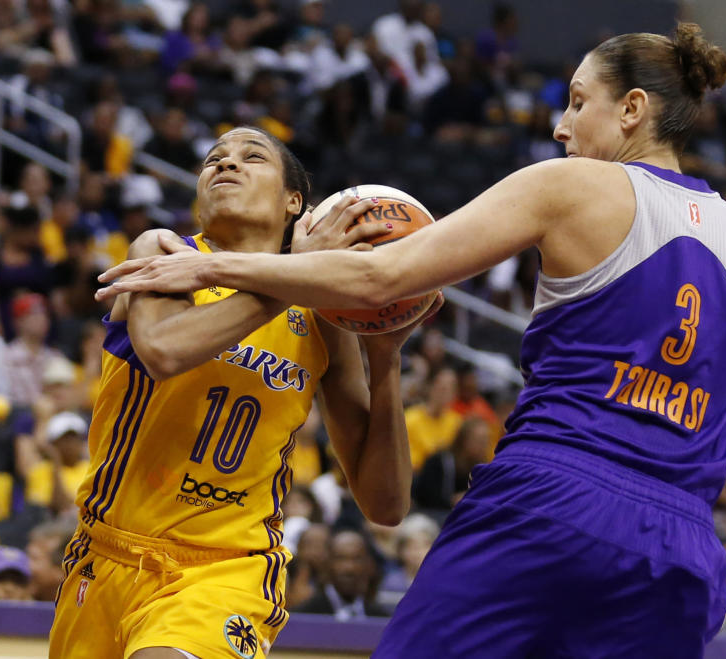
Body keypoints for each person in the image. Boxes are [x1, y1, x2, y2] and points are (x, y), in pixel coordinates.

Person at [98, 24, 726, 658]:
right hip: (681, 547)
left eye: (578, 104)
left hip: (555, 500)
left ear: (633, 110)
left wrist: (211, 261)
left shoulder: (570, 184)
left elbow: (379, 276)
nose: (562, 126)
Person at [50, 126, 439, 659]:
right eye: (214, 159)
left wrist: (386, 357)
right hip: (105, 555)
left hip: (226, 568)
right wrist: (295, 276)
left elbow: (386, 505)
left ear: (293, 204)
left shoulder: (323, 318)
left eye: (251, 157)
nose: (225, 164)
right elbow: (164, 350)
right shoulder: (163, 251)